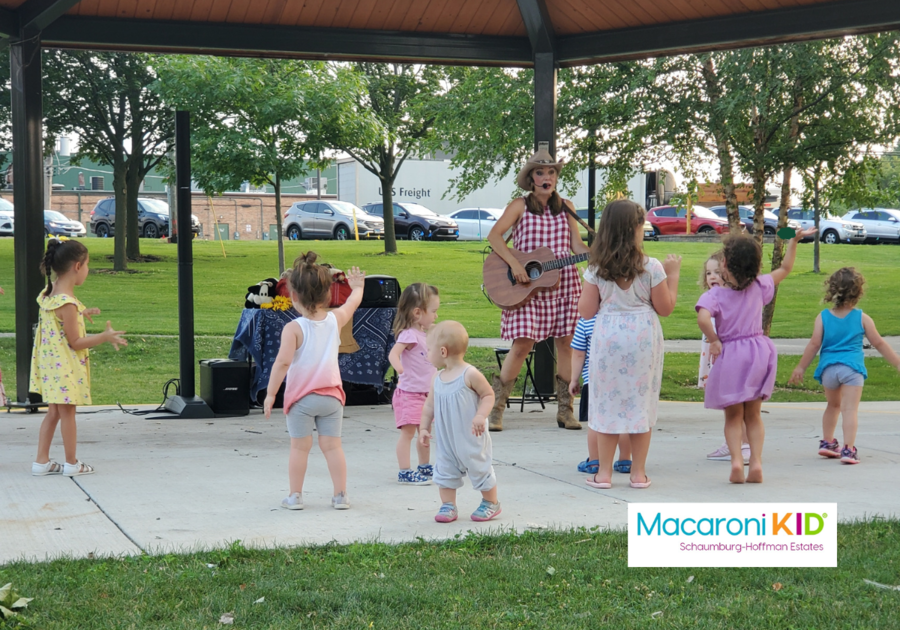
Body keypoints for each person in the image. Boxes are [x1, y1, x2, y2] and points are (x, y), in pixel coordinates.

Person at [696, 228, 816, 484]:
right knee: (754, 414)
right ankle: (757, 463)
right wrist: (793, 241)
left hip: (732, 355)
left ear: (724, 264)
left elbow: (703, 317)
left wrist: (715, 340)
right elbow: (785, 268)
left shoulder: (715, 294)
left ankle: (737, 462)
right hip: (759, 352)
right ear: (757, 265)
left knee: (733, 416)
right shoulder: (761, 285)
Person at [578, 200, 681, 490]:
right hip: (642, 339)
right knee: (641, 403)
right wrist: (673, 277)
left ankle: (604, 473)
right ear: (635, 229)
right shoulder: (652, 267)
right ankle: (638, 473)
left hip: (608, 336)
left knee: (606, 404)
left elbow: (586, 311)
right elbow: (665, 308)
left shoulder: (596, 269)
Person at [486, 147, 590, 431]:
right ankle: (496, 410)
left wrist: (598, 252)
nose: (547, 177)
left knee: (567, 344)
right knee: (522, 345)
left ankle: (565, 411)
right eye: (540, 172)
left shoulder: (566, 207)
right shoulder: (519, 205)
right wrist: (516, 265)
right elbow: (494, 236)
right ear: (531, 179)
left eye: (551, 172)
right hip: (527, 285)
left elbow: (577, 246)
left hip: (565, 282)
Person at [264, 251, 365, 510]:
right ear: (329, 295)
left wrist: (271, 394)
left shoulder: (294, 329)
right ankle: (341, 495)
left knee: (300, 448)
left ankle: (295, 496)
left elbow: (282, 363)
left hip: (301, 399)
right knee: (332, 447)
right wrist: (357, 287)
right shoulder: (335, 321)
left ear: (293, 296)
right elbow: (351, 305)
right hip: (332, 398)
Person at [30, 239, 127, 477]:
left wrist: (82, 313)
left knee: (54, 411)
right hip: (64, 368)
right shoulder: (69, 304)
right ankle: (72, 463)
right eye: (87, 265)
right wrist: (104, 337)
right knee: (67, 414)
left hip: (49, 366)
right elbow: (76, 342)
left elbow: (58, 319)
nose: (87, 270)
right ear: (77, 266)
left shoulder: (49, 293)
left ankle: (41, 461)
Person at [789, 267, 900, 464]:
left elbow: (814, 344)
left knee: (832, 406)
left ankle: (827, 442)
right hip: (852, 369)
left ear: (832, 291)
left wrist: (800, 367)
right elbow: (879, 343)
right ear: (858, 292)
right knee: (849, 410)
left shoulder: (823, 317)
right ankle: (848, 449)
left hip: (829, 370)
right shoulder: (862, 318)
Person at [419, 321, 500, 523]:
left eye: (429, 350)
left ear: (443, 351)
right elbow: (429, 406)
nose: (427, 353)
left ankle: (491, 502)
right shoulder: (437, 378)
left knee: (479, 468)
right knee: (445, 470)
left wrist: (481, 415)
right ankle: (448, 505)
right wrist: (423, 428)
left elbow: (488, 394)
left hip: (471, 437)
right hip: (447, 439)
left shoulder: (469, 374)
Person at [698, 251, 750, 464]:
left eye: (718, 272)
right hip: (721, 356)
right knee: (731, 404)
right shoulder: (713, 298)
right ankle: (733, 443)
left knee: (738, 403)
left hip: (732, 357)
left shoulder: (730, 299)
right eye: (709, 273)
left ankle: (743, 445)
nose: (712, 277)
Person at [388, 283, 440, 485]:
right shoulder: (409, 334)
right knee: (408, 434)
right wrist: (399, 368)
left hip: (426, 394)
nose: (436, 316)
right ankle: (404, 471)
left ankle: (424, 467)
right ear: (418, 313)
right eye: (433, 311)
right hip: (409, 393)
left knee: (424, 433)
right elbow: (394, 353)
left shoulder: (424, 334)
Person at [570, 315, 632, 475]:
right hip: (622, 381)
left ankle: (594, 460)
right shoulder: (624, 319)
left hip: (595, 381)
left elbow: (578, 354)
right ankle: (625, 459)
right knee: (623, 420)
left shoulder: (586, 321)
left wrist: (574, 379)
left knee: (595, 422)